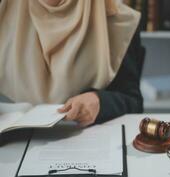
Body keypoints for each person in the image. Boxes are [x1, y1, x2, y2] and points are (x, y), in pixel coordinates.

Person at [0, 0, 144, 126]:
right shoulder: (5, 10)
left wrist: (99, 101)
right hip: (15, 144)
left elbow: (133, 101)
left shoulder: (116, 19)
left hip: (83, 142)